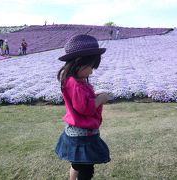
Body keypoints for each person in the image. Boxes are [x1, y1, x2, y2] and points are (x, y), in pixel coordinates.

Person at [55, 34, 111, 180]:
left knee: (77, 164)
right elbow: (84, 108)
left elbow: (81, 101)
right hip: (82, 135)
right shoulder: (75, 83)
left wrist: (95, 96)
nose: (92, 71)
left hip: (76, 132)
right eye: (91, 67)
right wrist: (100, 99)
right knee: (86, 170)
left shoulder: (73, 81)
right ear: (79, 61)